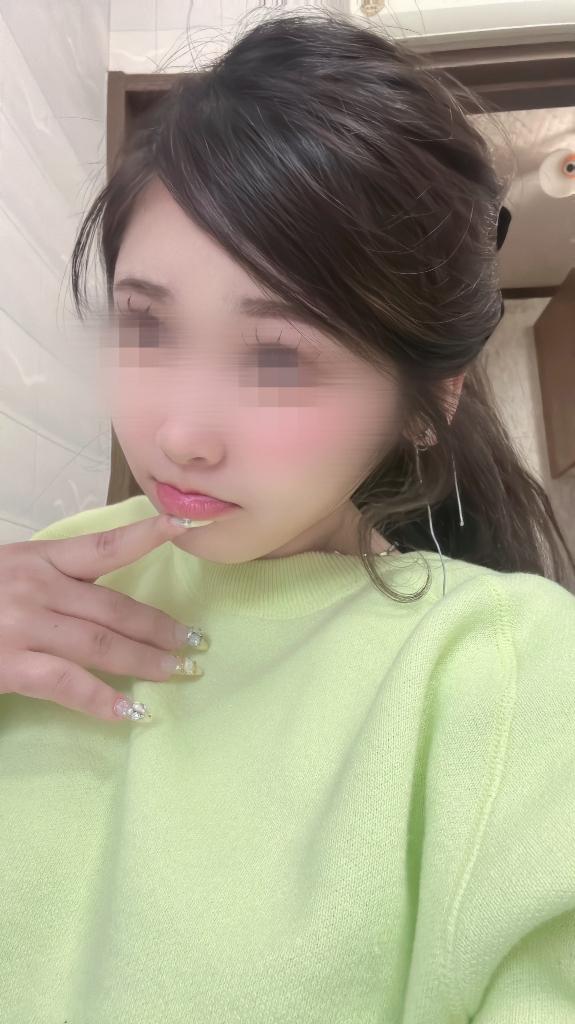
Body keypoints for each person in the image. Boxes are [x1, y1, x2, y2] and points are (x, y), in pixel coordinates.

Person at [1, 12, 574, 1023]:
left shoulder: (503, 670)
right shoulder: (46, 579)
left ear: (427, 401)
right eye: (147, 324)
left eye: (275, 358)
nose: (179, 433)